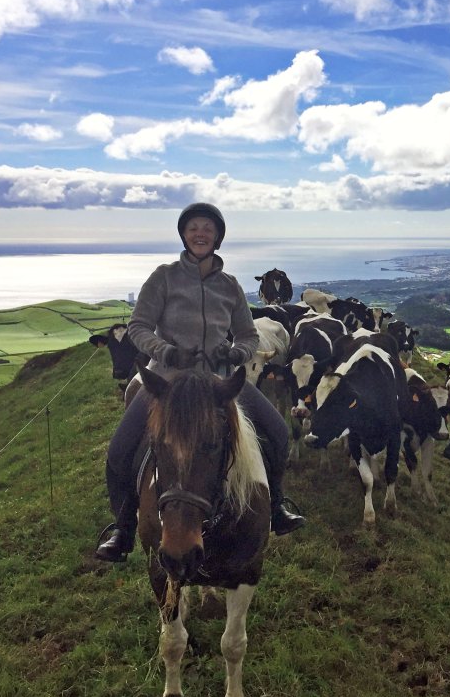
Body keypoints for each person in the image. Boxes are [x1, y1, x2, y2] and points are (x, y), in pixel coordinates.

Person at [95, 202, 305, 562]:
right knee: (119, 450)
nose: (200, 233)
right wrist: (166, 351)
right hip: (167, 381)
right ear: (184, 234)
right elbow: (138, 327)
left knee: (278, 432)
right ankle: (123, 527)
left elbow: (248, 335)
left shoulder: (230, 286)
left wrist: (236, 354)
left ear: (217, 237)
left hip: (217, 382)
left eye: (207, 228)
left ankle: (276, 506)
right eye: (193, 227)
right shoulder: (163, 277)